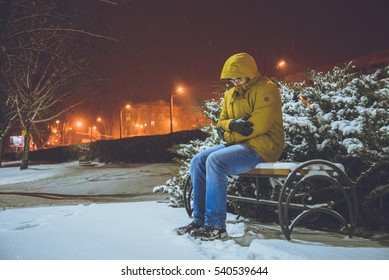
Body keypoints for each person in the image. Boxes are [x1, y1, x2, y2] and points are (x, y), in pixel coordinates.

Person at [176, 53, 285, 240]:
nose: (236, 82)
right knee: (198, 161)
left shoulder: (266, 89)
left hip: (263, 146)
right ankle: (199, 220)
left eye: (239, 78)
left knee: (216, 161)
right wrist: (232, 125)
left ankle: (215, 226)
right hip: (239, 143)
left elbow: (258, 125)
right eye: (232, 79)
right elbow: (221, 122)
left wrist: (228, 133)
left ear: (250, 74)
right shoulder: (230, 95)